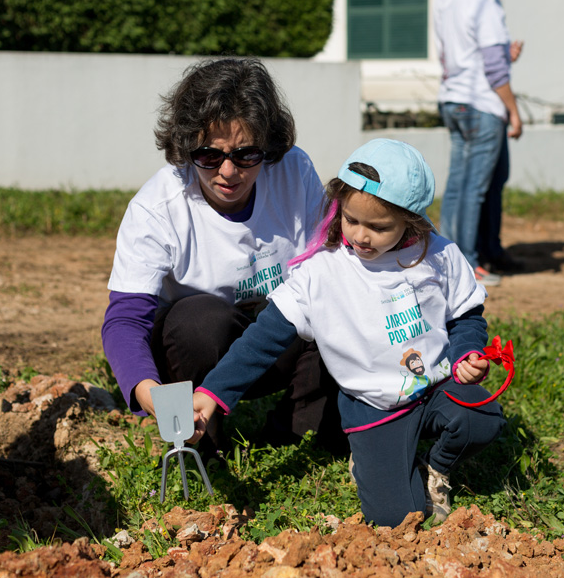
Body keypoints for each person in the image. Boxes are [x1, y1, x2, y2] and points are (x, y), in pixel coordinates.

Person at [191, 139, 507, 528]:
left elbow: (467, 318)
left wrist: (465, 355)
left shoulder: (438, 255)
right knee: (398, 520)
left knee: (483, 416)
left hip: (436, 387)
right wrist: (213, 393)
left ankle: (436, 468)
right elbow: (262, 340)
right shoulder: (320, 273)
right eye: (351, 219)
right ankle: (378, 461)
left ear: (411, 221)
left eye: (378, 227)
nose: (360, 235)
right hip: (374, 408)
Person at [101, 57, 343, 456]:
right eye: (209, 155)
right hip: (198, 348)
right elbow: (125, 319)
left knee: (333, 305)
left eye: (247, 154)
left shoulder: (293, 171)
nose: (228, 171)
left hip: (275, 340)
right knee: (198, 323)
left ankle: (294, 435)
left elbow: (333, 266)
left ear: (269, 145)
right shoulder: (157, 208)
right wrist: (148, 392)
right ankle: (204, 442)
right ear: (185, 148)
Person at [435, 0, 527, 277]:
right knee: (475, 188)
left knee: (459, 184)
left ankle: (453, 258)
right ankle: (471, 261)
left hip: (453, 98)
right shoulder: (484, 2)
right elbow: (492, 68)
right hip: (482, 103)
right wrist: (515, 112)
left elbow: (457, 53)